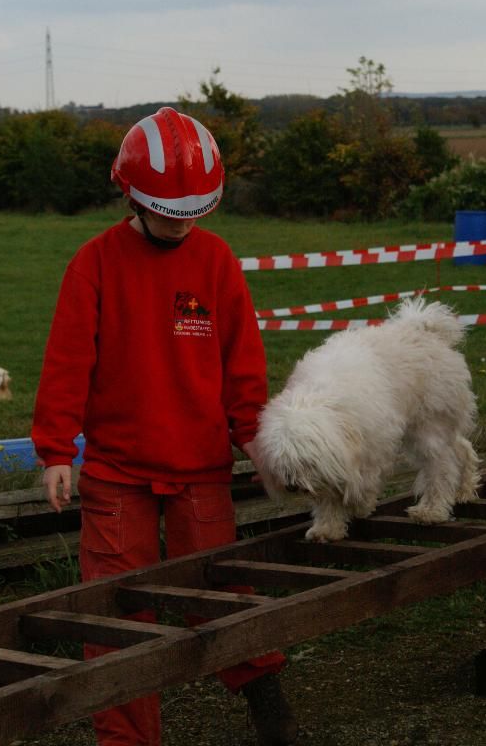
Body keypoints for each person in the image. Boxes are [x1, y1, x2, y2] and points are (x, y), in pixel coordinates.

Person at [32, 107, 298, 746]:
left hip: (199, 468)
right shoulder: (95, 263)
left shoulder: (216, 261)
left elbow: (242, 366)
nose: (181, 224)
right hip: (116, 473)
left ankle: (264, 694)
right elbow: (67, 361)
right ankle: (128, 739)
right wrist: (56, 450)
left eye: (193, 212)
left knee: (220, 589)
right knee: (116, 612)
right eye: (168, 212)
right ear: (131, 194)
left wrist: (256, 442)